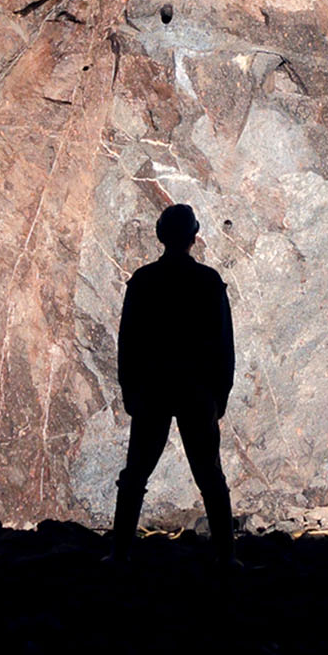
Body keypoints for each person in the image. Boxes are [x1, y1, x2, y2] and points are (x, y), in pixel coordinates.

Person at [109, 203, 236, 565]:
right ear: (194, 237)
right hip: (197, 390)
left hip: (153, 388)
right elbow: (223, 344)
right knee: (210, 474)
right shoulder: (209, 282)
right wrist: (219, 394)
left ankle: (119, 554)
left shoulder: (144, 281)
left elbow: (128, 342)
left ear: (159, 234)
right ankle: (227, 558)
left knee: (135, 474)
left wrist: (129, 389)